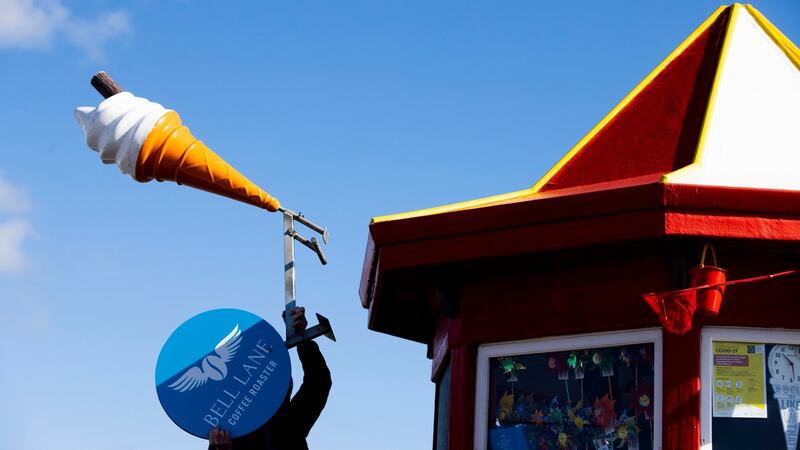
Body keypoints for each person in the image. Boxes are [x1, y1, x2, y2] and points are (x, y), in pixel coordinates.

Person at [208, 307, 332, 450]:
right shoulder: (232, 434)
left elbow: (318, 382)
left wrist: (301, 337)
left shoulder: (290, 424)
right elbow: (318, 382)